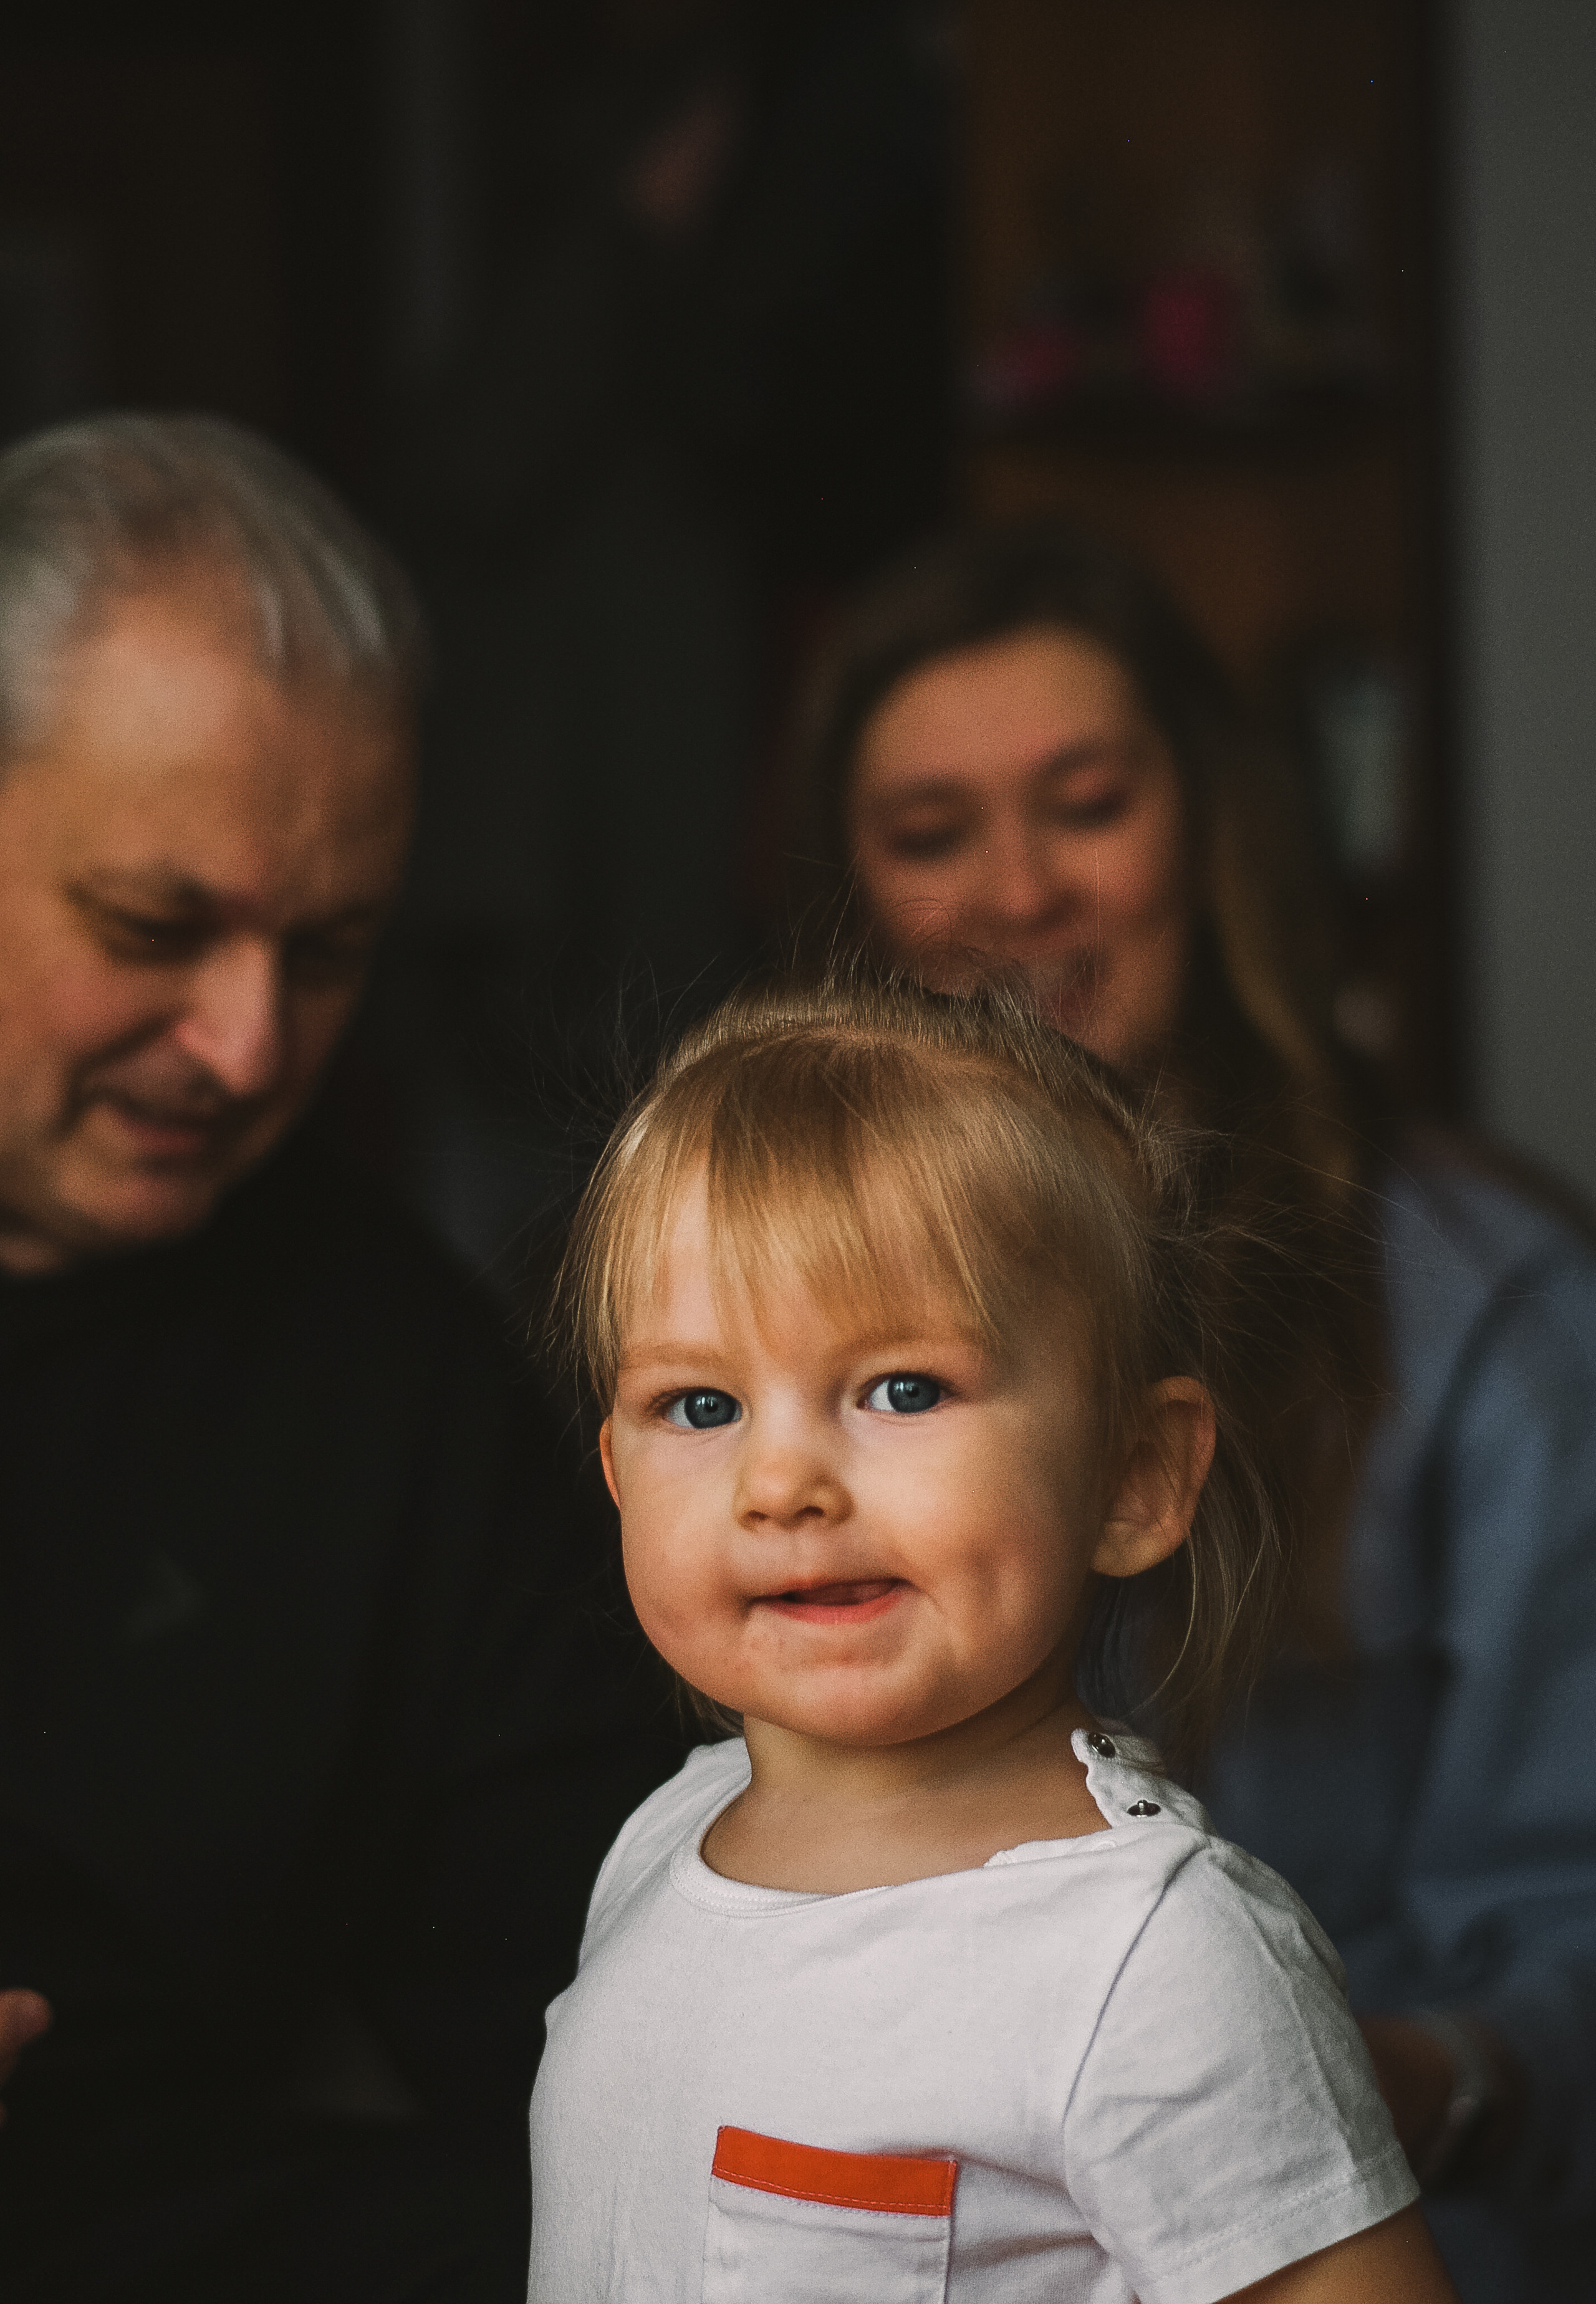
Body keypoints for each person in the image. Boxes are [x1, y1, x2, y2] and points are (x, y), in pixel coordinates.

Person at [777, 517, 1596, 2302]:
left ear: (1212, 830)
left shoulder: (1492, 1314)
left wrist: (1374, 2081)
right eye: (933, 833)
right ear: (851, 893)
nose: (1015, 891)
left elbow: (1576, 1940)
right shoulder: (780, 1353)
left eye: (1084, 802)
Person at [0, 415, 670, 2303]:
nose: (240, 1044)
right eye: (155, 924)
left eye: (327, 949)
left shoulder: (390, 1373)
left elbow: (593, 2005)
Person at [526, 970, 1453, 2302]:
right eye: (698, 1404)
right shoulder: (659, 1845)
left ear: (1133, 1475)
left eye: (901, 1388)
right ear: (613, 1467)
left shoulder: (1156, 1963)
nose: (779, 1484)